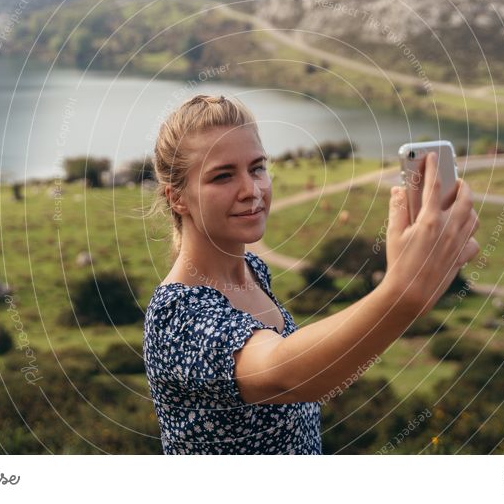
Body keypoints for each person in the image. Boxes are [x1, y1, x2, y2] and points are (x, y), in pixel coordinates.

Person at [143, 93, 480, 455]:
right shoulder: (175, 317)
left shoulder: (252, 270)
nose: (252, 190)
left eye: (257, 168)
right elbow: (286, 375)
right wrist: (400, 294)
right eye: (222, 176)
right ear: (177, 198)